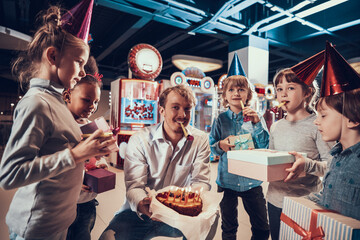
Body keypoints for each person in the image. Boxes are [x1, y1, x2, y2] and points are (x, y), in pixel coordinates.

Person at [0, 3, 116, 240]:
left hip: (58, 221)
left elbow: (58, 155)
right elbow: (10, 174)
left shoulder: (57, 102)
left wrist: (89, 153)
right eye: (80, 62)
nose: (83, 72)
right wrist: (75, 155)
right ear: (53, 56)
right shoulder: (37, 104)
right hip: (36, 228)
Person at [99, 84, 217, 240]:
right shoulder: (140, 140)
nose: (182, 115)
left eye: (187, 109)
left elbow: (200, 181)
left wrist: (190, 205)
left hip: (178, 214)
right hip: (138, 214)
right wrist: (143, 204)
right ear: (162, 111)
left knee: (212, 218)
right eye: (175, 107)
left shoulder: (200, 140)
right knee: (108, 238)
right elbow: (135, 186)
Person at [266, 67, 333, 240]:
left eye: (290, 88)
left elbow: (332, 167)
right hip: (274, 201)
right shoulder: (275, 126)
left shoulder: (319, 125)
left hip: (305, 202)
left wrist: (308, 165)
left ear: (307, 93)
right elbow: (271, 159)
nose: (283, 94)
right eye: (279, 89)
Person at [209, 75, 270, 240]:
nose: (236, 93)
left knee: (262, 228)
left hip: (252, 180)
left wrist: (257, 124)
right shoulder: (220, 119)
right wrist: (220, 145)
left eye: (241, 89)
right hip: (227, 180)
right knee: (228, 228)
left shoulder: (255, 118)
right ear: (225, 96)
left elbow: (264, 146)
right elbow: (211, 146)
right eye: (231, 90)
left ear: (248, 95)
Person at [311, 42, 360, 220]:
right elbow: (329, 199)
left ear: (352, 119)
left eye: (323, 116)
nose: (316, 122)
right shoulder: (336, 156)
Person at [64, 56, 107, 240]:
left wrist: (102, 164)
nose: (92, 106)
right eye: (86, 100)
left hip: (88, 203)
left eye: (96, 102)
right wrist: (74, 180)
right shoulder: (61, 126)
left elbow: (101, 156)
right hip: (65, 203)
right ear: (68, 95)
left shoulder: (95, 126)